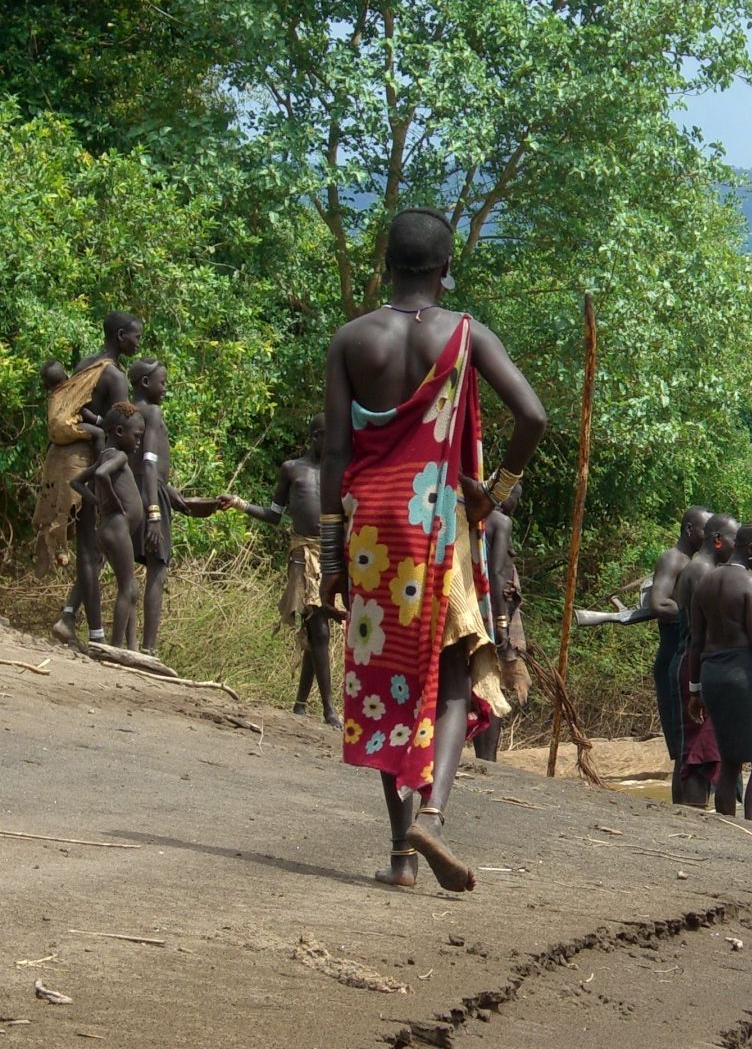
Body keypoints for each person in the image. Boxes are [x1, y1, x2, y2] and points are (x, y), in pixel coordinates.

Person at [321, 207, 548, 891]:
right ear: (446, 269)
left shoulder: (351, 339)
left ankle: (399, 857)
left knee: (390, 677)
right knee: (449, 678)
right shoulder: (464, 335)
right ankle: (436, 816)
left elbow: (335, 449)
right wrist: (496, 491)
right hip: (436, 522)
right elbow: (533, 417)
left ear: (384, 263)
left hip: (370, 528)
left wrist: (332, 552)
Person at [221, 415, 340, 727]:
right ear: (316, 436)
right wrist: (238, 503)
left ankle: (301, 705)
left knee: (318, 628)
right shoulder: (293, 469)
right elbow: (274, 515)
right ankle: (329, 710)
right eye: (329, 434)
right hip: (302, 553)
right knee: (319, 628)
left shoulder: (340, 471)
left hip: (330, 555)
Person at [685, 522, 752, 821]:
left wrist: (694, 691)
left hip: (712, 677)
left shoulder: (704, 583)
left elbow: (696, 642)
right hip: (744, 676)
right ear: (750, 550)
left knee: (731, 760)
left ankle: (727, 829)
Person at [50, 311, 143, 645]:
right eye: (135, 336)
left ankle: (70, 616)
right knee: (91, 550)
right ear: (120, 336)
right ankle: (97, 636)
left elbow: (84, 412)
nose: (138, 343)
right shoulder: (114, 375)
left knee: (91, 549)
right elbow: (123, 425)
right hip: (94, 461)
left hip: (70, 461)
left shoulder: (86, 364)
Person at [129, 358, 219, 655]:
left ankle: (125, 642)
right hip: (149, 494)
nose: (165, 388)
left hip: (138, 489)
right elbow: (149, 462)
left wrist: (171, 495)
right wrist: (156, 511)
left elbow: (141, 466)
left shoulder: (129, 412)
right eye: (162, 382)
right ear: (145, 383)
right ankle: (149, 648)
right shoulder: (152, 412)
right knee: (158, 567)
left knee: (127, 565)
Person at [667, 512, 736, 807]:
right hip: (695, 665)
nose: (740, 547)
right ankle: (691, 817)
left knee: (694, 747)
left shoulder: (701, 568)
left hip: (693, 662)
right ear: (718, 540)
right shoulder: (702, 572)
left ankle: (688, 814)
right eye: (736, 540)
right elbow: (703, 632)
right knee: (697, 750)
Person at [68, 403, 145, 649]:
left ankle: (131, 648)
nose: (139, 442)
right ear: (120, 431)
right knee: (128, 587)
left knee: (130, 586)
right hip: (117, 528)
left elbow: (77, 482)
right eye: (137, 436)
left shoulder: (105, 454)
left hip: (107, 529)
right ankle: (112, 649)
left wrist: (98, 501)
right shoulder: (119, 456)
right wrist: (111, 501)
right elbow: (101, 475)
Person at [648, 506, 710, 800]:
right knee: (684, 746)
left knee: (696, 744)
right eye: (704, 530)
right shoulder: (673, 559)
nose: (708, 536)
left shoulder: (695, 562)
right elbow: (658, 604)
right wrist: (693, 612)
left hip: (687, 661)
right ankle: (682, 812)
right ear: (689, 530)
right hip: (674, 660)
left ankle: (690, 809)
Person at [473, 482, 532, 761]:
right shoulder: (501, 521)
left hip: (469, 610)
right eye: (516, 499)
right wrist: (501, 625)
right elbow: (496, 573)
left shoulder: (471, 515)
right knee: (491, 684)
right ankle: (487, 758)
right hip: (489, 615)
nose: (515, 506)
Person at [31, 360, 81, 577]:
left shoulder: (52, 399)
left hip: (54, 456)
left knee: (51, 502)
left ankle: (51, 540)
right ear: (67, 377)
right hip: (72, 457)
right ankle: (61, 546)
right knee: (68, 503)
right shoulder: (73, 393)